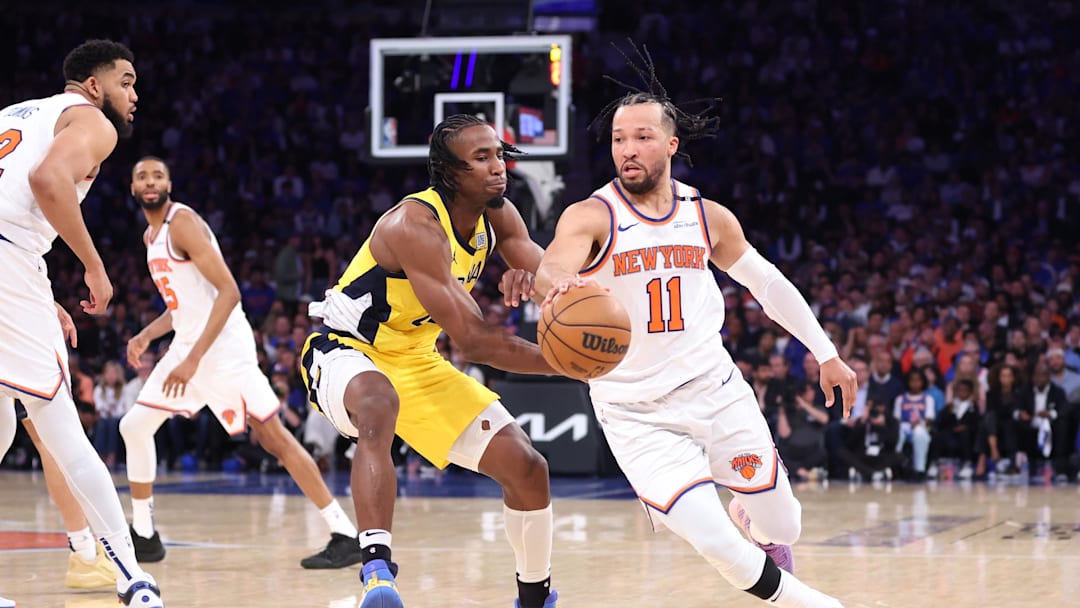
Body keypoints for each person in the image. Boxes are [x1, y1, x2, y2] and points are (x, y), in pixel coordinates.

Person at [535, 45, 854, 608]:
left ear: (671, 145)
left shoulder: (705, 216)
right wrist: (556, 284)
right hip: (636, 412)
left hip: (716, 390)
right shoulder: (592, 215)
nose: (627, 150)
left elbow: (770, 285)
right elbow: (553, 264)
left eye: (641, 137)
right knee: (712, 540)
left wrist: (826, 352)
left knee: (785, 526)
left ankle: (752, 516)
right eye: (617, 139)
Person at [301, 114, 560, 608]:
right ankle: (377, 572)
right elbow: (477, 343)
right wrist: (570, 364)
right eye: (481, 158)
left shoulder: (500, 216)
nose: (497, 167)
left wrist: (541, 285)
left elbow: (550, 270)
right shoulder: (413, 225)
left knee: (527, 468)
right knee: (378, 403)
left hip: (418, 358)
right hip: (346, 349)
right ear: (450, 172)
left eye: (499, 154)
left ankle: (535, 597)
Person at [118, 157, 363, 570]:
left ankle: (344, 532)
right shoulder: (150, 236)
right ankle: (144, 535)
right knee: (134, 426)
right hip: (189, 346)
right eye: (141, 175)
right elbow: (183, 306)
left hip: (224, 350)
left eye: (157, 174)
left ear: (169, 183)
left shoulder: (182, 223)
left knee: (274, 438)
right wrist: (147, 334)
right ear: (132, 187)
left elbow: (229, 292)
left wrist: (194, 359)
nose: (150, 181)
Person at [0, 39, 163, 606]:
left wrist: (38, 295)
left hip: (12, 264)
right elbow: (48, 181)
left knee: (0, 429)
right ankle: (130, 576)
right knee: (60, 425)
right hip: (8, 261)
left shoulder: (17, 113)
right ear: (94, 86)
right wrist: (93, 267)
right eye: (126, 80)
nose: (133, 94)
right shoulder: (95, 122)